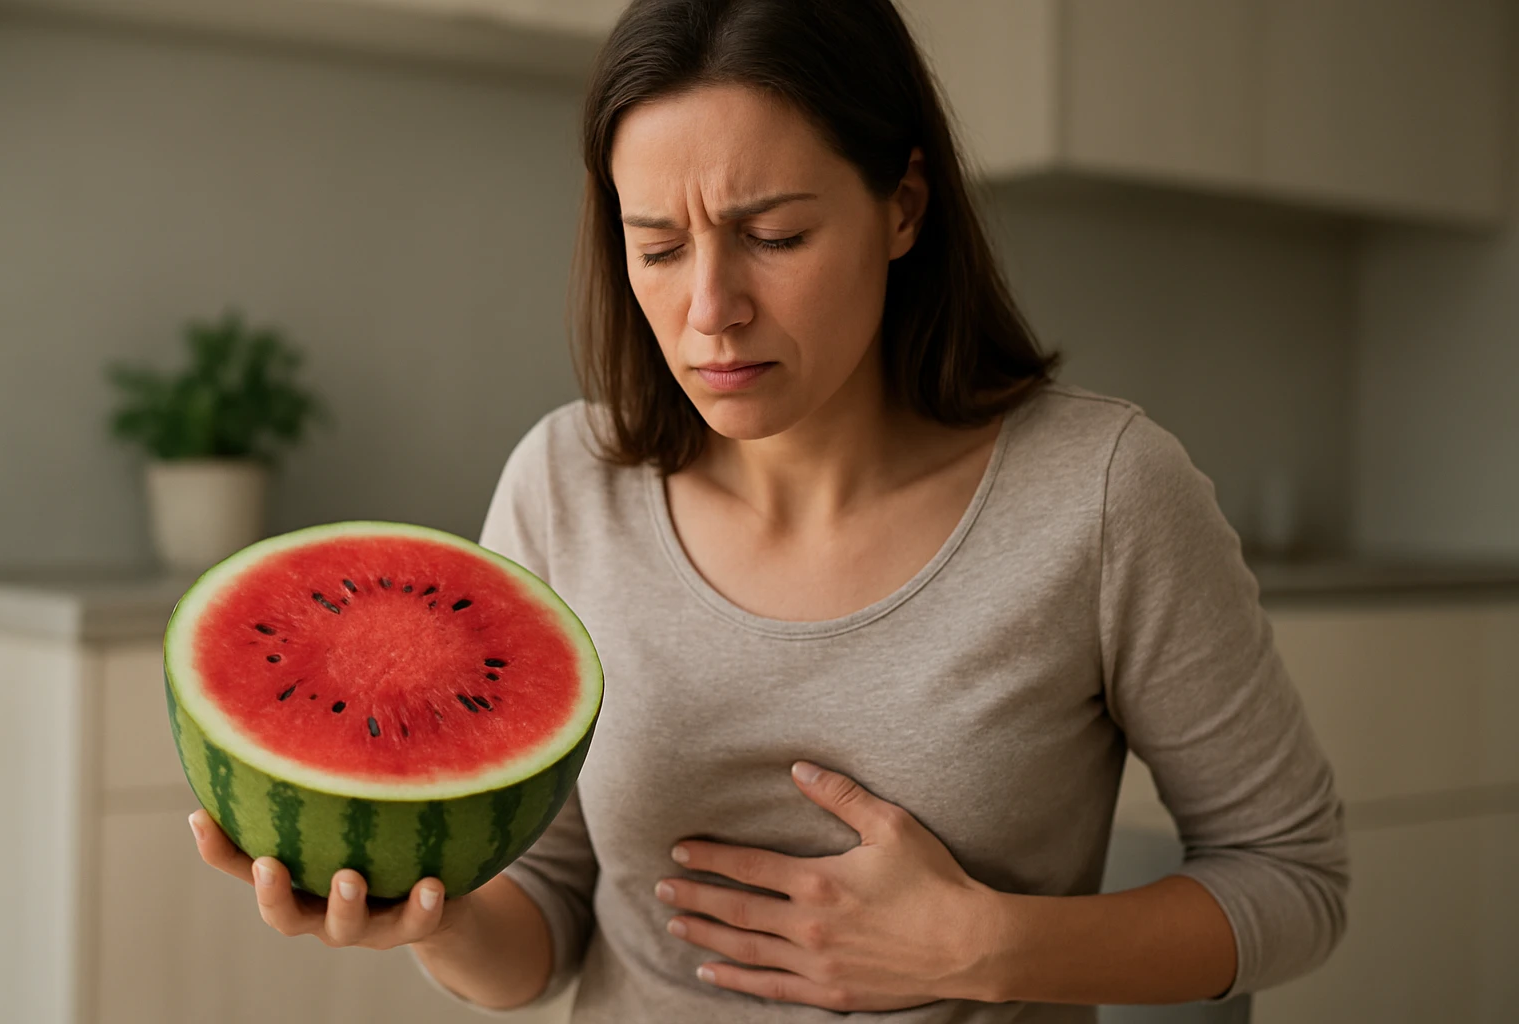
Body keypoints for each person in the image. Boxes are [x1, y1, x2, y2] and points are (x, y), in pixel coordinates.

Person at [190, 0, 1349, 1019]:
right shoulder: (562, 482)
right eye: (657, 247)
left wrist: (990, 946)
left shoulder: (1105, 492)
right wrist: (430, 917)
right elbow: (540, 934)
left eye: (774, 236)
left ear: (902, 207)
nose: (709, 311)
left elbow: (1294, 879)